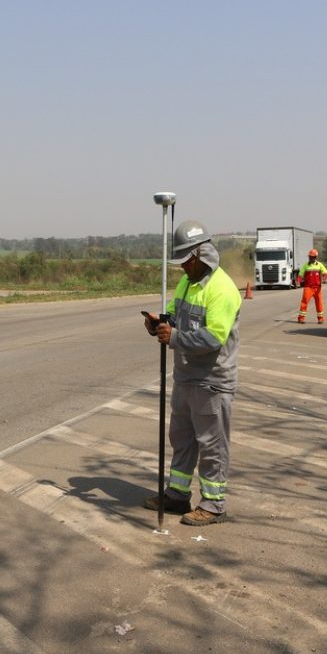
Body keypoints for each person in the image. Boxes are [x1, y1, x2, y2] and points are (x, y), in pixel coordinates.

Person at [142, 219, 242, 526]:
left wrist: (174, 337)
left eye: (187, 261)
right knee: (182, 438)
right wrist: (160, 322)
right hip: (186, 376)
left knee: (212, 443)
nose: (183, 268)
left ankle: (213, 505)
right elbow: (175, 316)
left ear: (201, 255)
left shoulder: (222, 289)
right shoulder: (188, 282)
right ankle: (177, 493)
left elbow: (213, 339)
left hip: (212, 381)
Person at [297, 248, 327, 324]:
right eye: (309, 256)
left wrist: (324, 279)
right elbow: (300, 275)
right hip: (308, 287)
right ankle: (301, 318)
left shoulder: (320, 265)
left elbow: (325, 273)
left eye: (312, 257)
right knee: (304, 302)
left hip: (317, 288)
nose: (310, 258)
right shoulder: (305, 265)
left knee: (319, 303)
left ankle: (320, 318)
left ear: (315, 257)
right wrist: (298, 281)